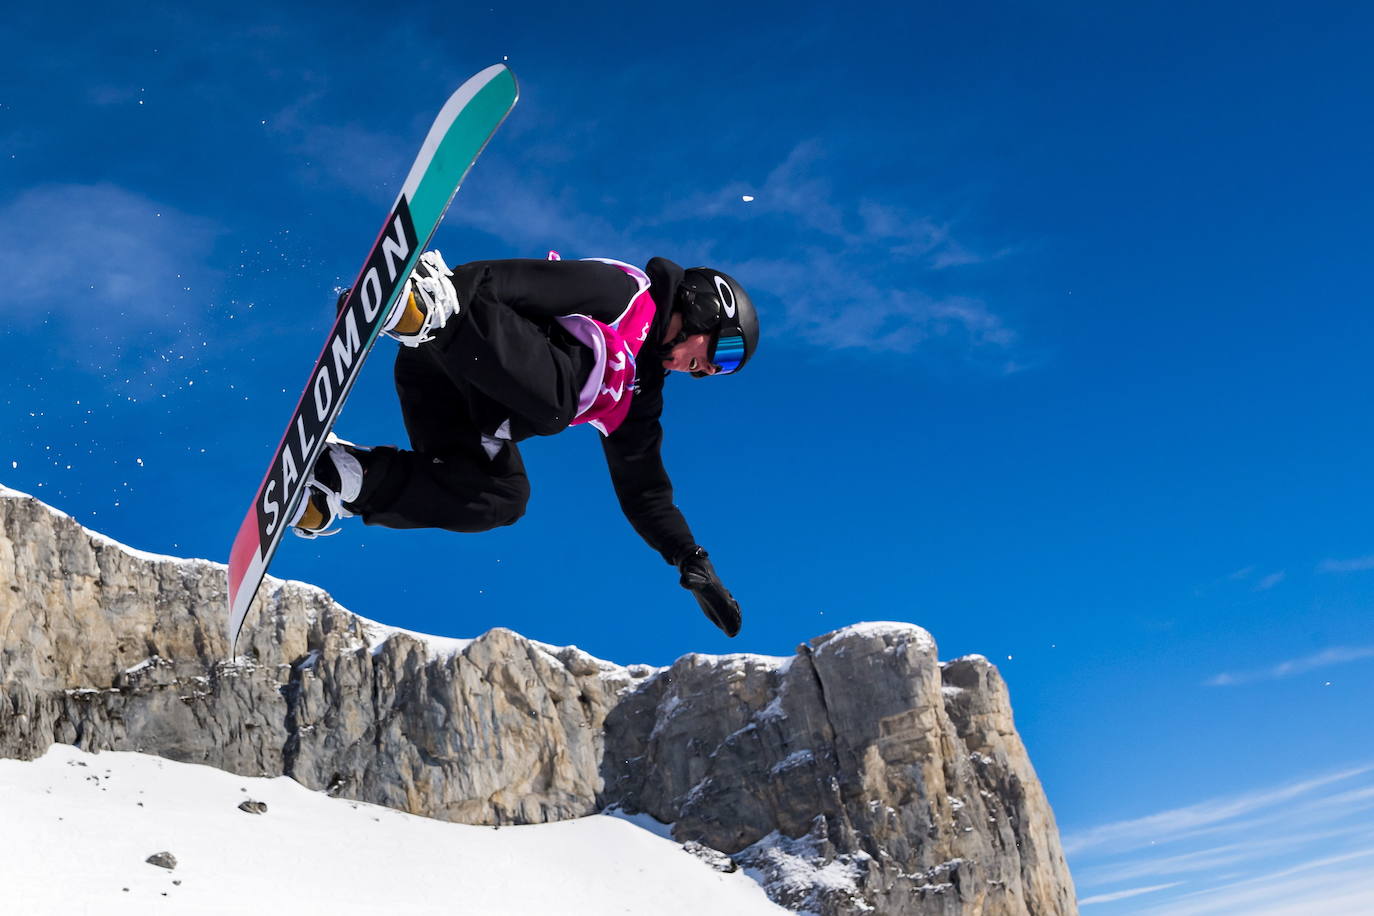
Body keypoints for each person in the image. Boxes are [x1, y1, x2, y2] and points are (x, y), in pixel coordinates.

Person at [289, 250, 759, 637]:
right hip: (457, 332)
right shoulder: (628, 296)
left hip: (458, 402)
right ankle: (421, 303)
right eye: (724, 353)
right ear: (707, 308)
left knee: (503, 499)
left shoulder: (637, 399)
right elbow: (524, 281)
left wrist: (689, 557)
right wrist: (441, 294)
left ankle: (342, 480)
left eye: (723, 370)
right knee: (558, 405)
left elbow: (645, 490)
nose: (710, 370)